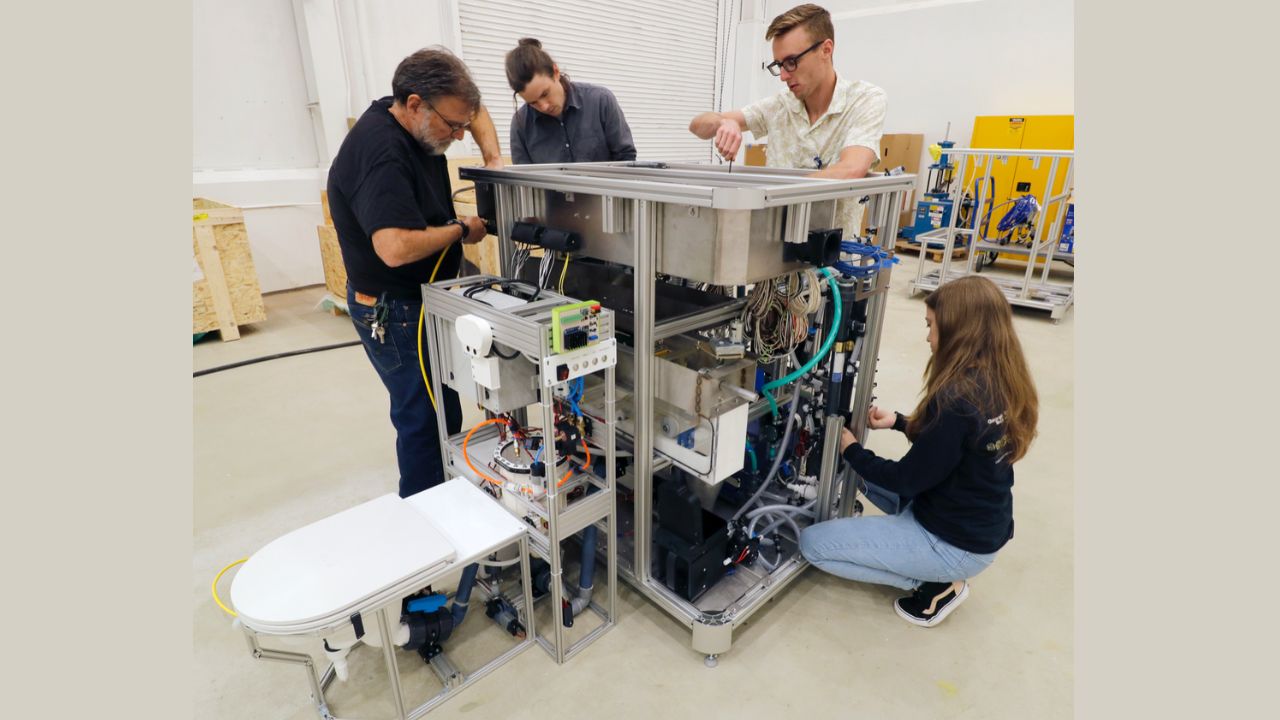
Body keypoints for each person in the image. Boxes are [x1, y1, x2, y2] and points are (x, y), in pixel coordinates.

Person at [799, 276, 1039, 627]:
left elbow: (905, 480)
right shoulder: (1002, 380)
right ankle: (929, 564)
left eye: (931, 326)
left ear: (960, 331)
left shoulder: (956, 399)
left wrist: (849, 448)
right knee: (861, 477)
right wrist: (898, 422)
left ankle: (936, 584)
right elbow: (952, 444)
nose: (928, 337)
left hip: (951, 541)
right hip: (976, 521)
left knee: (812, 544)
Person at [327, 47, 504, 499]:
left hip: (424, 300)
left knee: (445, 406)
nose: (461, 135)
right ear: (413, 104)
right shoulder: (381, 152)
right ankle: (428, 522)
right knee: (424, 420)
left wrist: (494, 161)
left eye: (464, 126)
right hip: (396, 312)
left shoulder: (418, 113)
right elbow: (394, 247)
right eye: (453, 127)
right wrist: (461, 229)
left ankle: (450, 497)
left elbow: (474, 110)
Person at [687, 3, 886, 236]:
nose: (783, 76)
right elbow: (697, 126)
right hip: (775, 255)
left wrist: (769, 194)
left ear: (826, 49)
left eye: (791, 62)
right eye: (779, 65)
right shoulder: (780, 106)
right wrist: (723, 122)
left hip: (833, 259)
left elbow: (851, 168)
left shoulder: (864, 100)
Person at [505, 38, 637, 164]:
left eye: (545, 93)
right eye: (533, 103)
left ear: (555, 72)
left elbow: (625, 158)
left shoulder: (601, 101)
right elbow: (523, 180)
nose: (544, 106)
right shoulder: (520, 124)